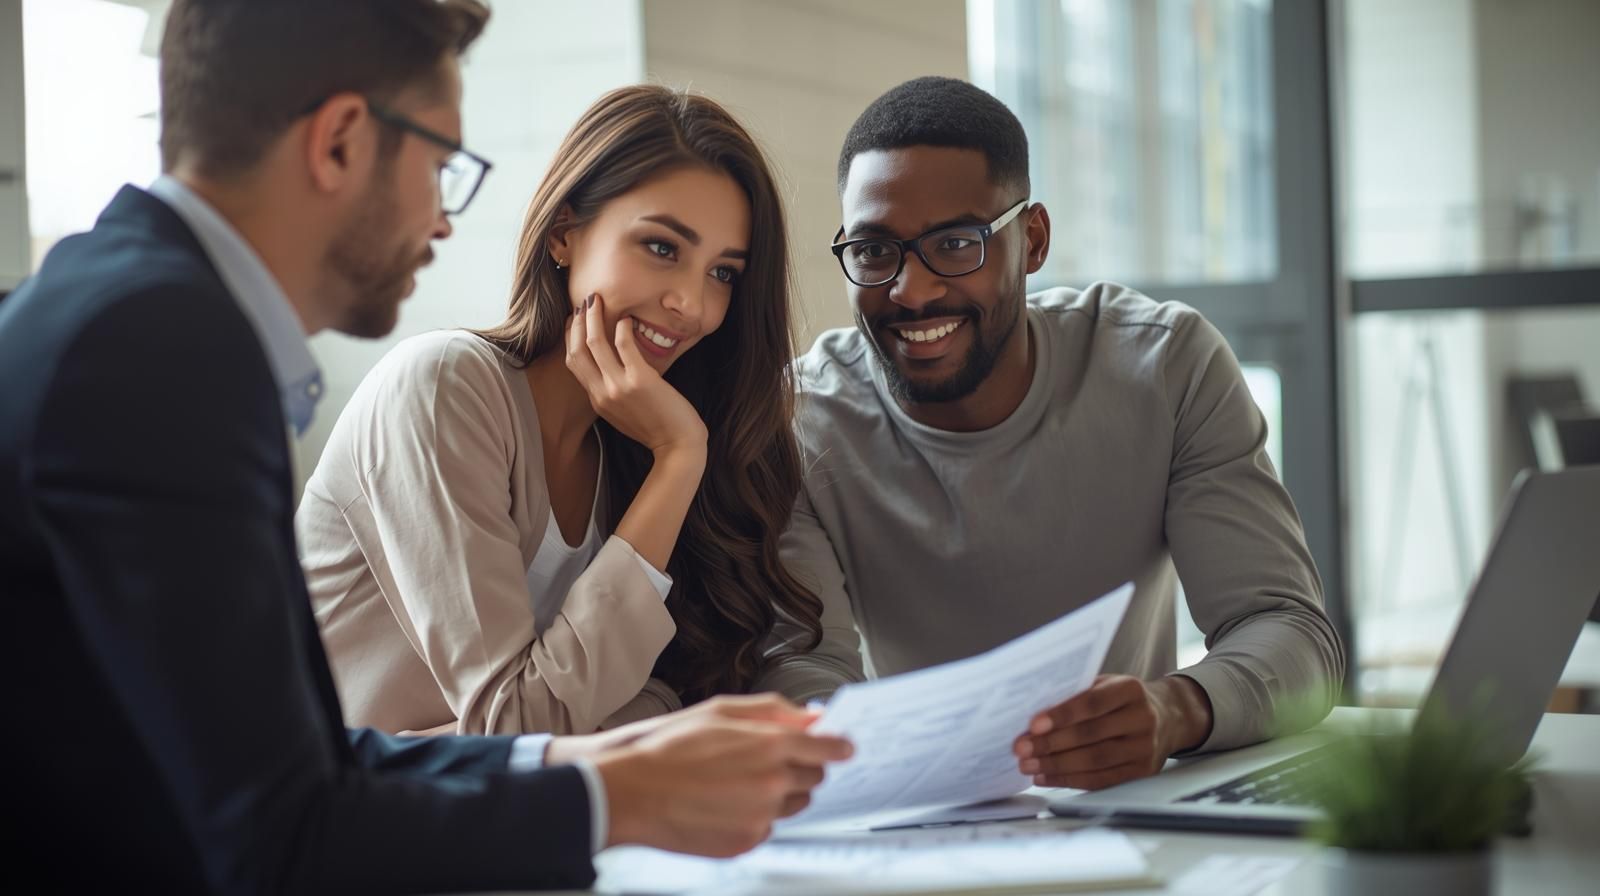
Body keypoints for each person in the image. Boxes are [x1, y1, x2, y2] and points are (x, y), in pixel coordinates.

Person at [0, 2, 848, 892]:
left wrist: (619, 768)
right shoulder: (155, 349)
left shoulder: (127, 314)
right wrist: (616, 791)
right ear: (340, 142)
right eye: (442, 164)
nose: (444, 222)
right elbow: (278, 825)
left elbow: (306, 766)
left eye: (722, 272)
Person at [757, 76, 1344, 790]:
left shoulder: (1166, 367)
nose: (913, 290)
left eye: (956, 244)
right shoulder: (801, 419)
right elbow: (802, 670)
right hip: (919, 813)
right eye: (876, 251)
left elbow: (1291, 634)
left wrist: (1175, 709)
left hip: (1127, 802)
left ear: (1031, 240)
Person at [297, 85, 823, 738]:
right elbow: (514, 724)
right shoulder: (443, 387)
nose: (691, 304)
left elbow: (677, 695)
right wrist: (679, 459)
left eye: (723, 274)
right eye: (663, 247)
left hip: (499, 799)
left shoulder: (633, 437)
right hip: (334, 802)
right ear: (563, 234)